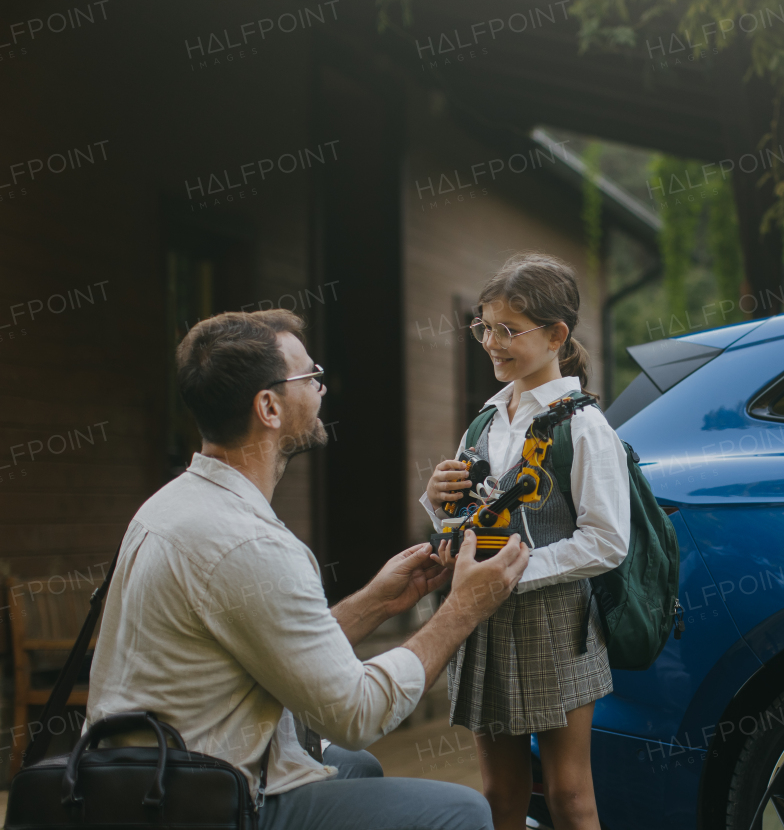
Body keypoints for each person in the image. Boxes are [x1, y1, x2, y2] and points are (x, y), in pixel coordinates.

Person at [86, 309, 529, 830]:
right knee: (461, 811)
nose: (322, 386)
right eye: (309, 376)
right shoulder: (249, 543)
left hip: (140, 779)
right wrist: (462, 610)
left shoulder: (171, 505)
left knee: (353, 769)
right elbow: (356, 714)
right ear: (269, 407)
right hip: (195, 802)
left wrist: (378, 603)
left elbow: (276, 651)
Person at [424, 252, 630, 830]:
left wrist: (515, 572)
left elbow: (608, 541)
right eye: (483, 326)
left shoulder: (584, 427)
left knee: (569, 795)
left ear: (556, 335)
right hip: (480, 618)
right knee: (498, 792)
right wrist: (438, 500)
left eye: (508, 330)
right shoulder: (486, 420)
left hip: (555, 623)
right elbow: (464, 516)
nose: (491, 342)